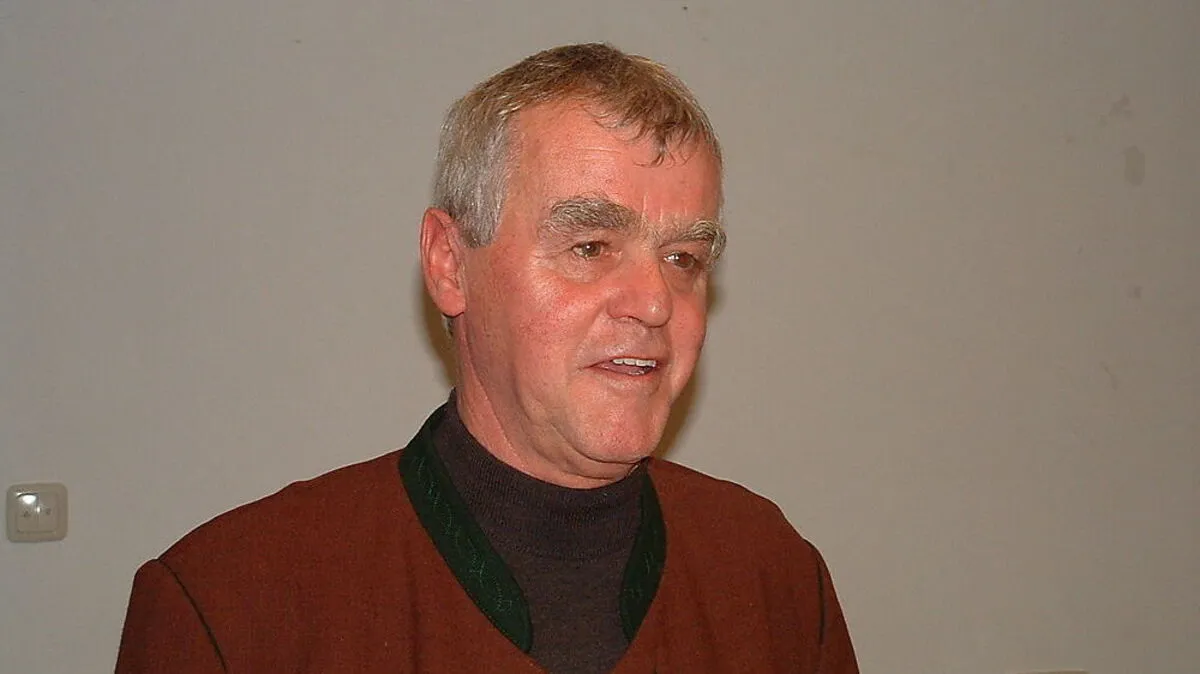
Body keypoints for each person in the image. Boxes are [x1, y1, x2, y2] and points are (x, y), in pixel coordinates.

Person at [115, 43, 859, 673]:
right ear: (450, 263)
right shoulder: (236, 609)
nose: (654, 302)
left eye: (684, 257)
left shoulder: (771, 578)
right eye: (590, 246)